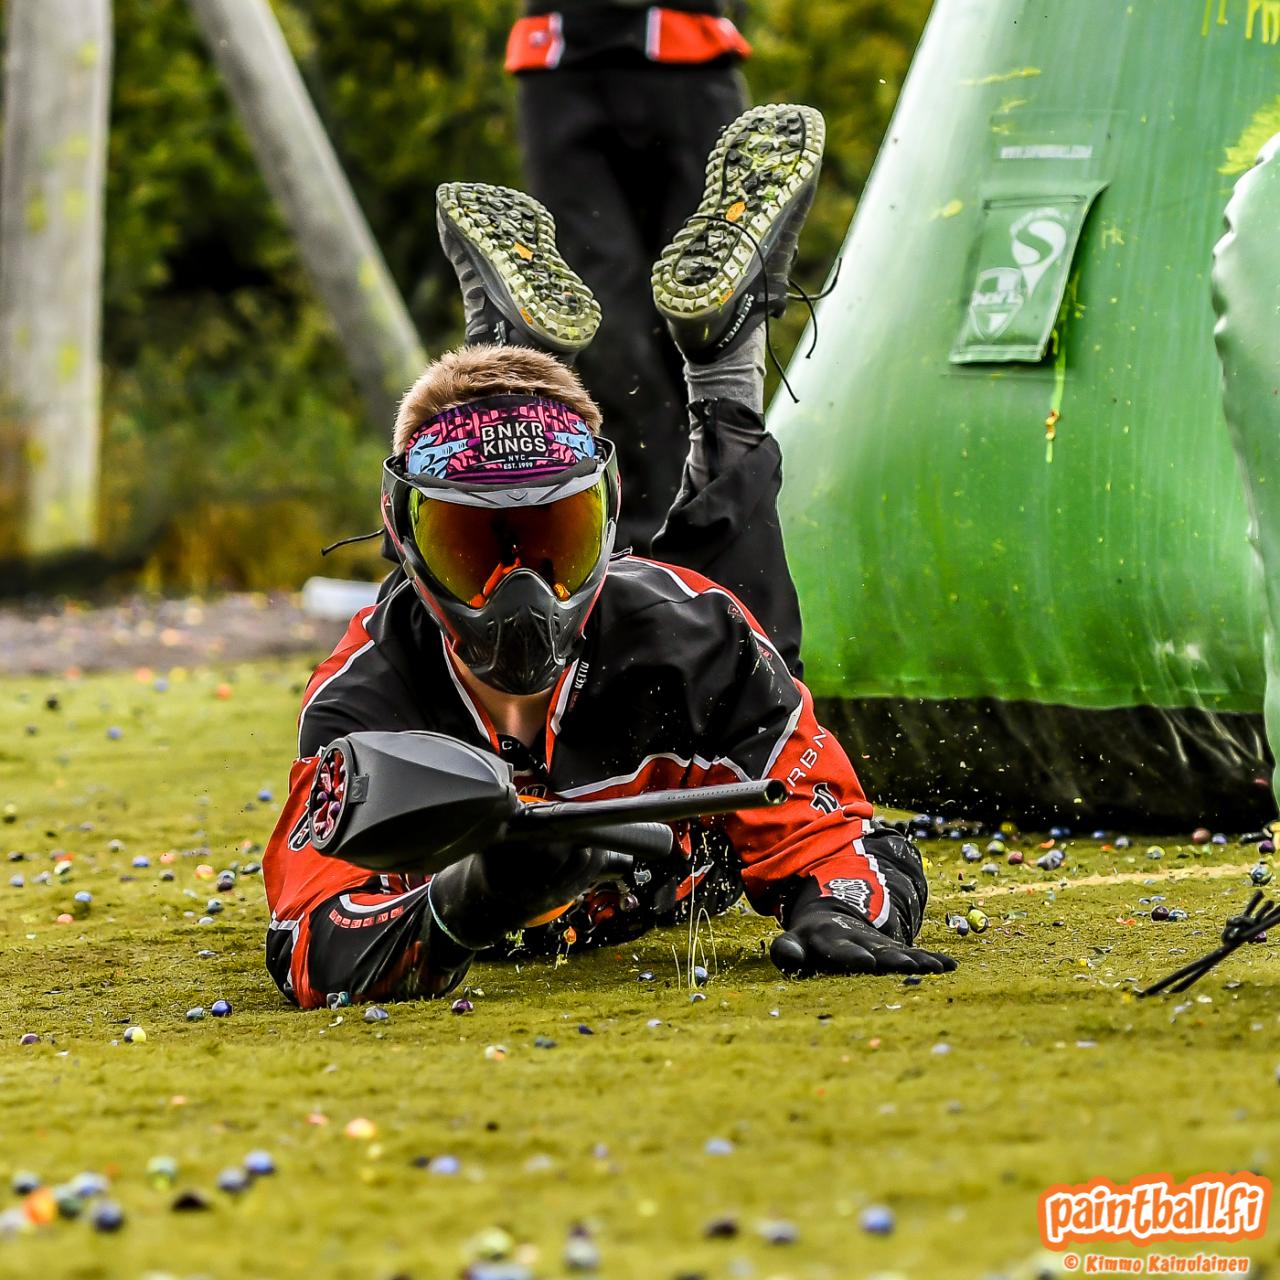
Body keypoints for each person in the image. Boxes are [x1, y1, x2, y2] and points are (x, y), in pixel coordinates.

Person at [263, 104, 956, 1009]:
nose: (519, 594)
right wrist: (464, 905)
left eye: (555, 540)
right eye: (473, 547)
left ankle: (692, 366)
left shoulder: (694, 639)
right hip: (589, 669)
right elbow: (312, 941)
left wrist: (840, 907)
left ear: (609, 519)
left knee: (730, 612)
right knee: (727, 581)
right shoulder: (367, 701)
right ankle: (672, 368)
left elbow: (834, 833)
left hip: (674, 668)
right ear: (404, 538)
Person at [506, 0, 752, 554]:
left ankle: (730, 520)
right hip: (560, 59)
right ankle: (650, 540)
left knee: (708, 304)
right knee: (599, 322)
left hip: (689, 53)